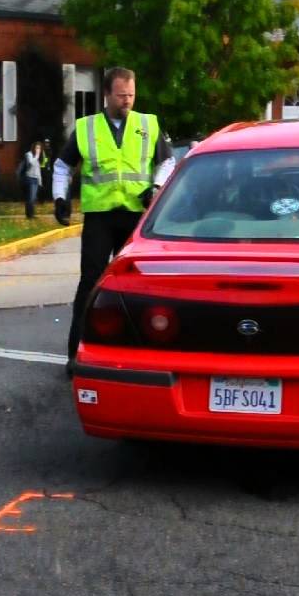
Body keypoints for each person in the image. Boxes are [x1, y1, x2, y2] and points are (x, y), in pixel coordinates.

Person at [53, 66, 176, 374]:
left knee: (139, 286)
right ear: (106, 94)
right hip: (100, 217)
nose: (127, 100)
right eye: (121, 95)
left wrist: (157, 187)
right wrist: (59, 198)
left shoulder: (148, 124)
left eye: (131, 95)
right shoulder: (87, 128)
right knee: (90, 284)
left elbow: (168, 161)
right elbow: (62, 166)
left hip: (137, 216)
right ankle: (76, 354)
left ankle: (142, 354)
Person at [21, 142, 43, 218]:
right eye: (37, 148)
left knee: (32, 198)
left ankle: (30, 214)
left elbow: (38, 170)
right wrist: (36, 156)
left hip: (36, 179)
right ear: (33, 148)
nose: (38, 150)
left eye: (39, 148)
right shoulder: (29, 154)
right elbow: (31, 163)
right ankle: (30, 215)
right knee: (31, 197)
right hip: (30, 178)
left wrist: (40, 181)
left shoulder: (38, 158)